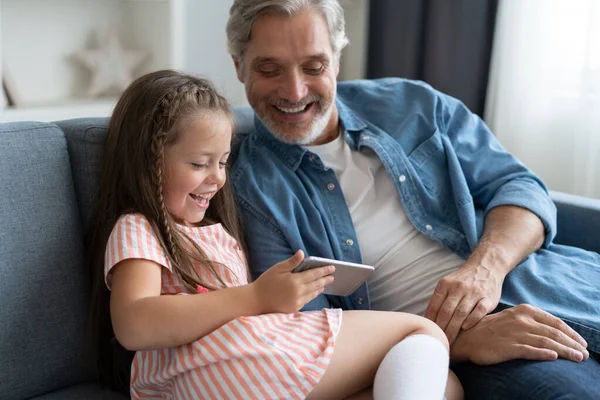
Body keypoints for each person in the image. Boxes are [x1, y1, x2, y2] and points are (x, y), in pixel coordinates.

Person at [225, 0, 600, 398]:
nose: (295, 91)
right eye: (269, 69)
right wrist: (457, 343)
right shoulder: (251, 189)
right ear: (239, 66)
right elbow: (313, 338)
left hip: (558, 286)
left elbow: (517, 186)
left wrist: (485, 270)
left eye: (314, 66)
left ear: (336, 59)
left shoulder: (412, 104)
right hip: (467, 349)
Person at [86, 69, 464, 399]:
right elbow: (133, 323)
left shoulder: (213, 233)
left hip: (241, 372)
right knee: (422, 331)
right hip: (230, 371)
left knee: (445, 385)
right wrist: (256, 297)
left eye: (222, 162)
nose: (218, 179)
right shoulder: (138, 226)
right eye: (200, 163)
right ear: (147, 160)